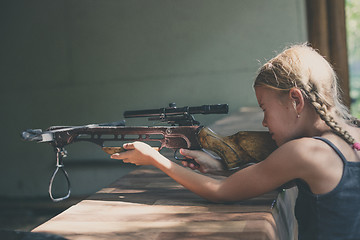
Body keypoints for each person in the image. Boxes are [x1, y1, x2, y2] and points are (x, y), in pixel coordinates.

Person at [111, 44, 360, 240]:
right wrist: (221, 166)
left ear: (295, 100)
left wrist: (155, 159)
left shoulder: (305, 153)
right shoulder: (349, 137)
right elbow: (270, 174)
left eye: (264, 109)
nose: (264, 122)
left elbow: (221, 192)